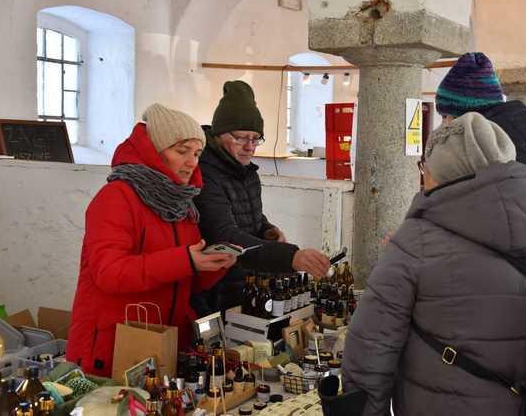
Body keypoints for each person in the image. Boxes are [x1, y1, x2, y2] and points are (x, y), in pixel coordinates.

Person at [342, 112, 526, 415]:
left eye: (425, 167)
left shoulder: (417, 239)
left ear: (445, 172)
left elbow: (370, 348)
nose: (423, 176)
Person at [66, 103, 237, 377]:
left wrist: (213, 264)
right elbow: (109, 273)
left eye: (197, 153)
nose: (192, 162)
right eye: (181, 151)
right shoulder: (116, 198)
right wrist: (185, 260)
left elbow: (184, 279)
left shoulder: (182, 204)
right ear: (154, 152)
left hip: (161, 345)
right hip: (113, 345)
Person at [435, 52, 526, 271]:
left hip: (515, 292)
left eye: (447, 118)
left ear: (467, 119)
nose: (445, 125)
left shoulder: (489, 162)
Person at [194, 80, 331, 313]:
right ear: (219, 134)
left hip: (246, 283)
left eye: (255, 138)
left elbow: (250, 215)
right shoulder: (205, 174)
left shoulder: (247, 173)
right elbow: (224, 235)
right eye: (241, 138)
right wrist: (290, 257)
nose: (250, 147)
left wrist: (268, 229)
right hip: (215, 290)